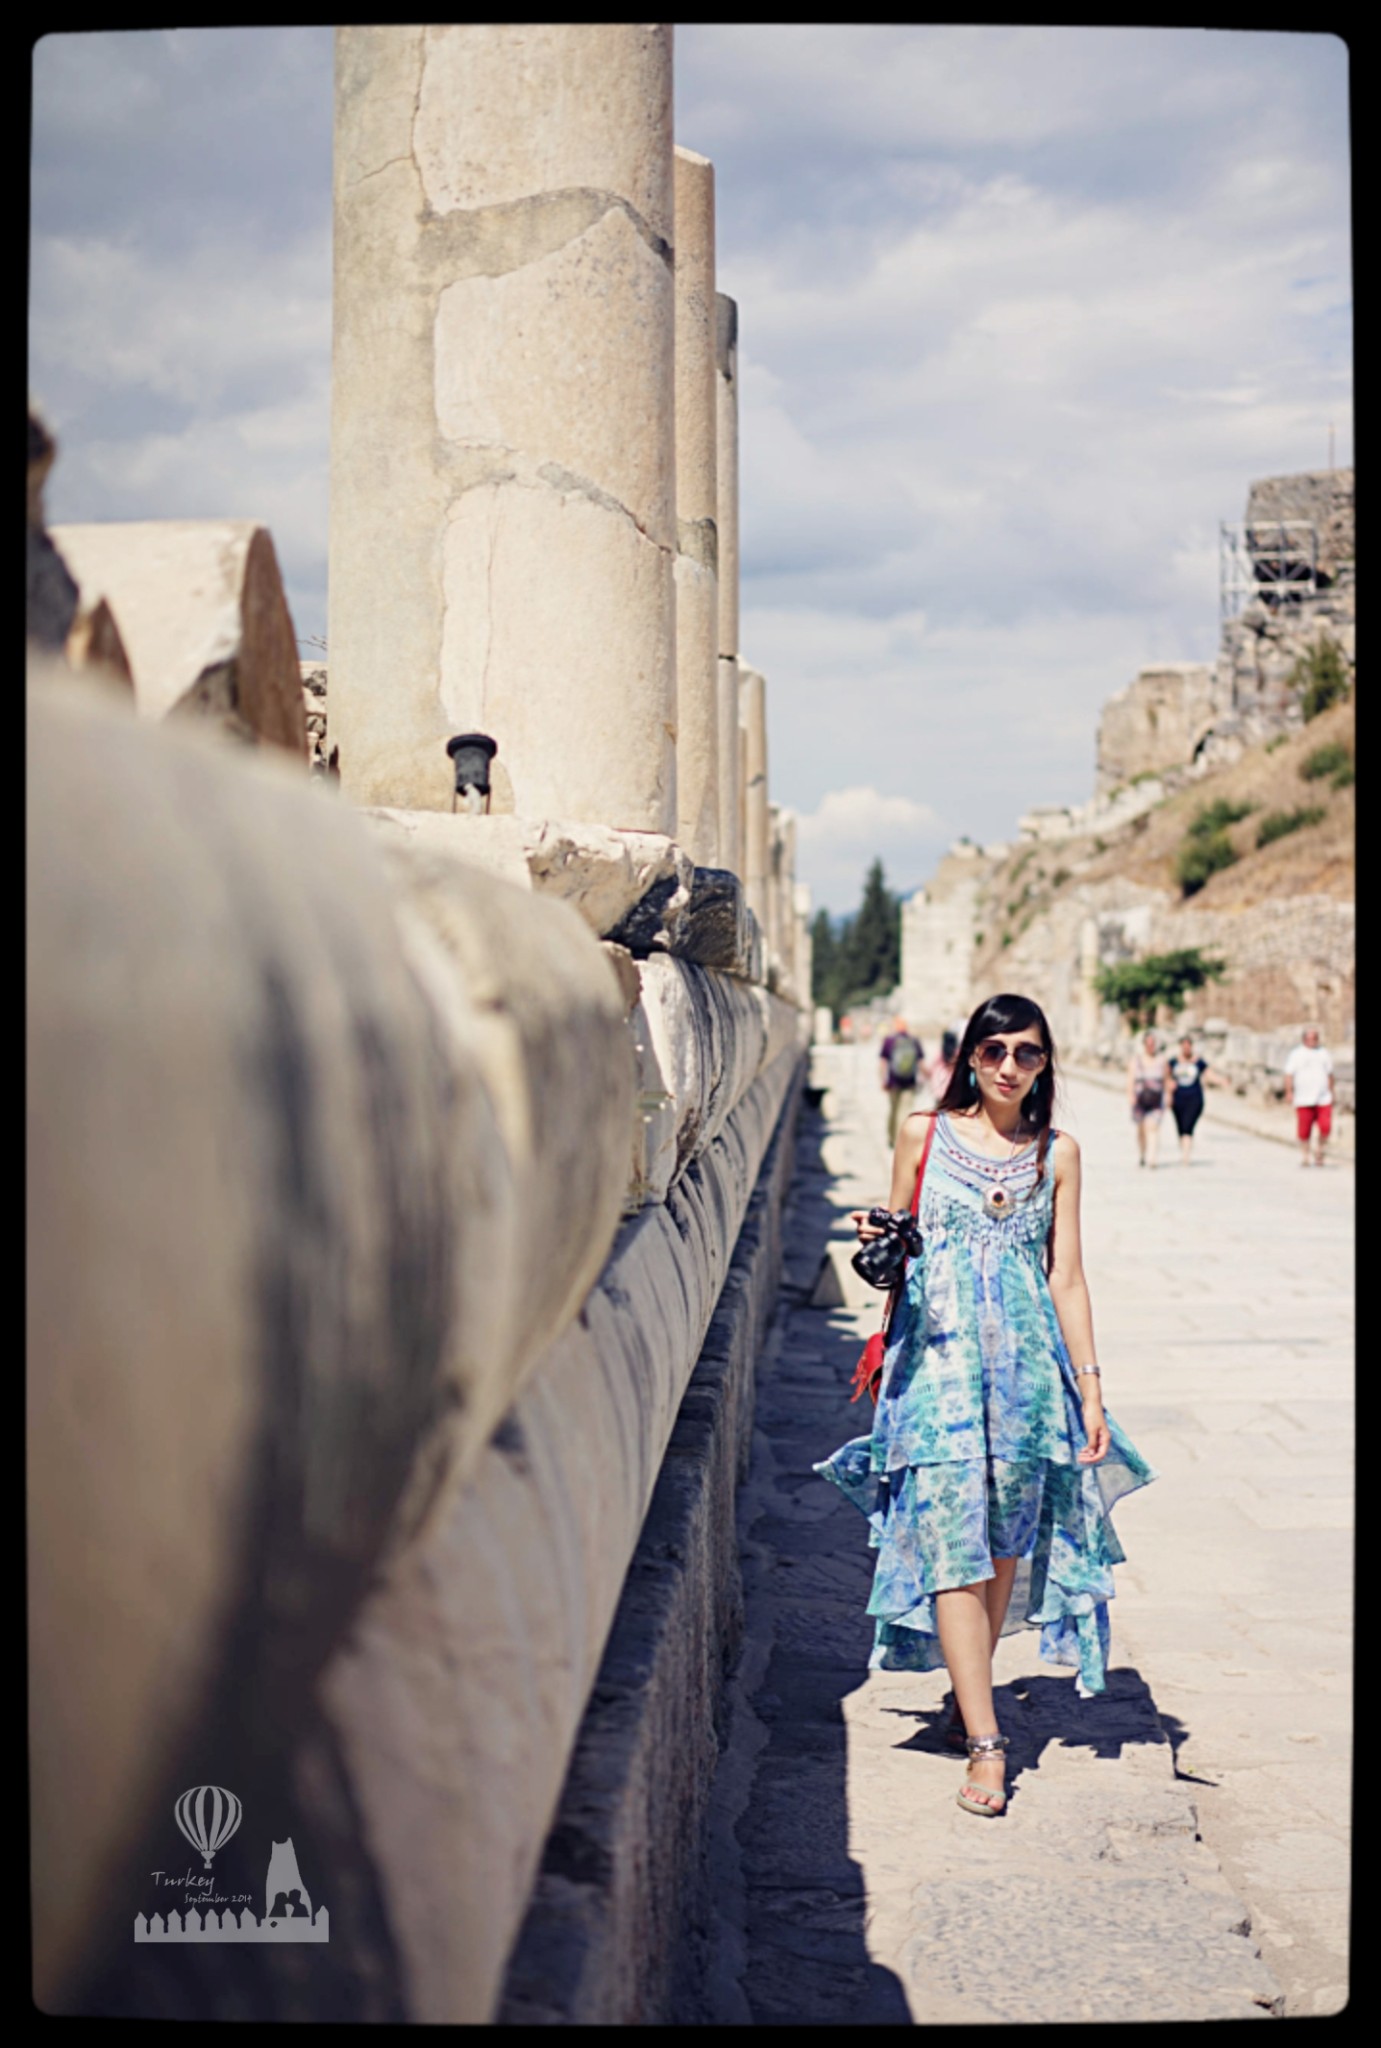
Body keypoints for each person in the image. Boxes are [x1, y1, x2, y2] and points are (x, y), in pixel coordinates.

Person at [816, 993, 1154, 1820]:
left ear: (1044, 1064)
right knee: (950, 1548)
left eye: (1026, 1053)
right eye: (994, 1050)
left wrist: (1091, 1388)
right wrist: (878, 1242)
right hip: (936, 1375)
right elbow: (895, 1250)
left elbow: (1065, 1277)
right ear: (969, 1055)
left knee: (1002, 1547)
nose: (1009, 1066)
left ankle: (969, 1697)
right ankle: (986, 1741)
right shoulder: (921, 1134)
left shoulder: (1057, 1154)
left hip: (1026, 1379)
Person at [1167, 1034, 1224, 1164]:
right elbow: (1165, 1077)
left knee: (1188, 1126)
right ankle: (1184, 1149)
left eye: (1189, 1046)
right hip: (1178, 1099)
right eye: (1184, 1046)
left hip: (1194, 1099)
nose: (1186, 1048)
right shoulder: (1173, 1062)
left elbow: (1210, 1075)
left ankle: (1186, 1156)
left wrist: (1222, 1081)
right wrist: (1168, 1087)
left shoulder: (1199, 1062)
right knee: (1181, 1127)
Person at [1284, 1025, 1334, 1167]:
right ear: (1304, 1039)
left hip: (1323, 1098)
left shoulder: (1324, 1053)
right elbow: (1289, 1074)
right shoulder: (1296, 1054)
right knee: (1304, 1131)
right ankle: (1305, 1155)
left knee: (1326, 1128)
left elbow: (1330, 1074)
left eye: (1315, 1038)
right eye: (1310, 1038)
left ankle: (1320, 1150)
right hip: (1303, 1098)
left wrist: (1332, 1092)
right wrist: (1289, 1092)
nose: (1313, 1041)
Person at [879, 1016, 926, 1147]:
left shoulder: (889, 1040)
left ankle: (892, 1138)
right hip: (909, 1082)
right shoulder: (914, 1040)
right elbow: (920, 1062)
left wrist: (883, 1079)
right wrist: (927, 1076)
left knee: (893, 1110)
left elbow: (883, 1062)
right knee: (904, 1111)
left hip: (893, 1082)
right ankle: (900, 1140)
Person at [1127, 1030, 1169, 1168]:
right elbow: (1130, 1080)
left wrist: (1168, 1096)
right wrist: (1131, 1096)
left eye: (1153, 1043)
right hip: (1140, 1099)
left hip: (1156, 1100)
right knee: (1141, 1129)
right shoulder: (1136, 1060)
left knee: (1153, 1127)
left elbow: (1167, 1080)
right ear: (1144, 1044)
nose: (1151, 1046)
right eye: (1148, 1043)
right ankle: (1142, 1153)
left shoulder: (1162, 1060)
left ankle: (1152, 1158)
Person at [928, 1028, 960, 1104]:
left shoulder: (940, 1053)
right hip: (953, 1090)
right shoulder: (957, 1053)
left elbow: (931, 1069)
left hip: (939, 1089)